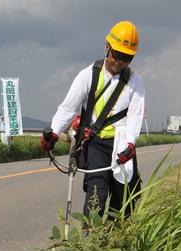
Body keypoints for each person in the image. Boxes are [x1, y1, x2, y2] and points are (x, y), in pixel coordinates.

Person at [40, 21, 145, 220]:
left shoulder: (136, 82)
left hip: (123, 145)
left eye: (127, 58)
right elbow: (68, 108)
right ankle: (90, 243)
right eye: (118, 55)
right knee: (96, 195)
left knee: (125, 200)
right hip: (96, 144)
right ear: (107, 47)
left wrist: (131, 143)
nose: (120, 61)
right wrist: (54, 132)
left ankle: (116, 241)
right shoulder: (88, 75)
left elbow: (135, 115)